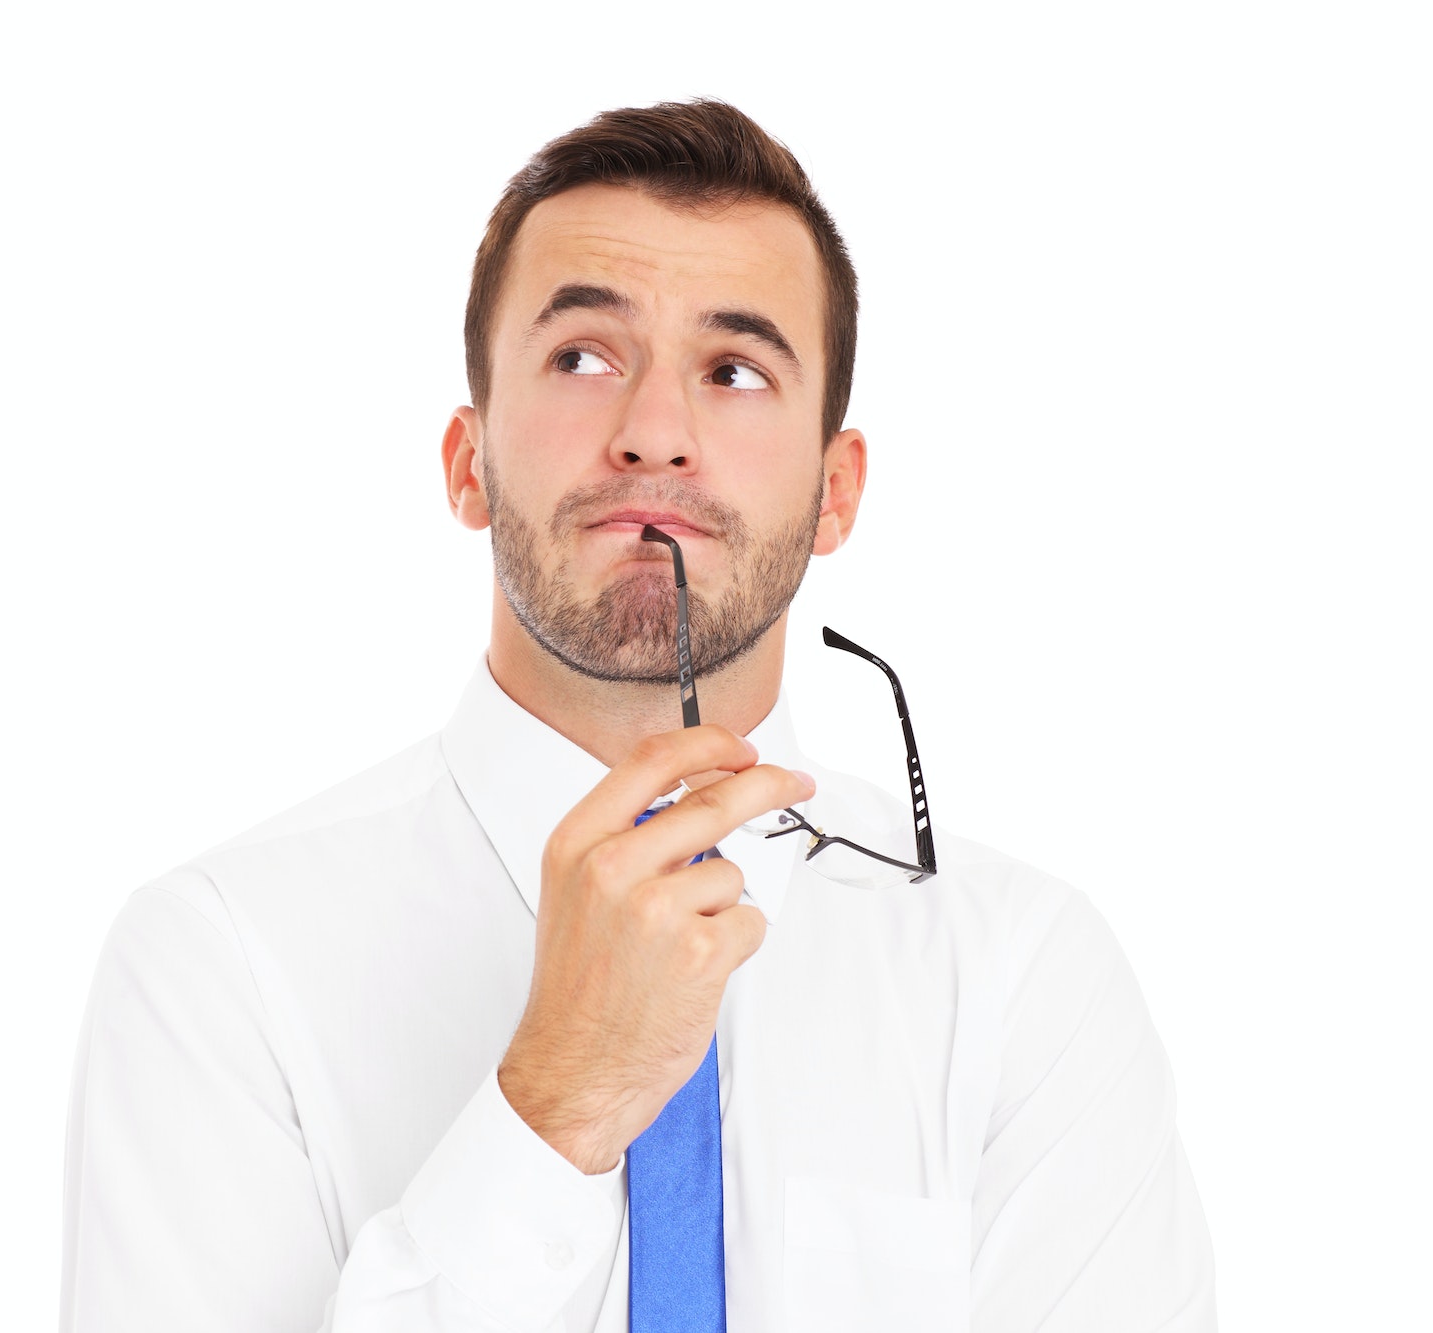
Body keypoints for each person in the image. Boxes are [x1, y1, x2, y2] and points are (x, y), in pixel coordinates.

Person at [59, 99, 1216, 1332]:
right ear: (467, 463)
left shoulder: (1018, 978)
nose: (653, 434)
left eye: (733, 373)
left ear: (834, 495)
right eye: (582, 359)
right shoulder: (217, 966)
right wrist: (557, 1101)